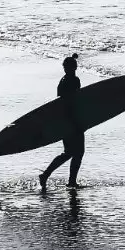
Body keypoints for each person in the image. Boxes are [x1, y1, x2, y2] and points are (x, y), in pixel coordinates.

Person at [39, 54, 84, 192]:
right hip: (72, 122)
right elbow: (73, 103)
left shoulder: (63, 81)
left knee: (71, 152)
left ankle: (49, 175)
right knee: (76, 152)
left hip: (65, 122)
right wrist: (78, 122)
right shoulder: (73, 81)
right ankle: (68, 181)